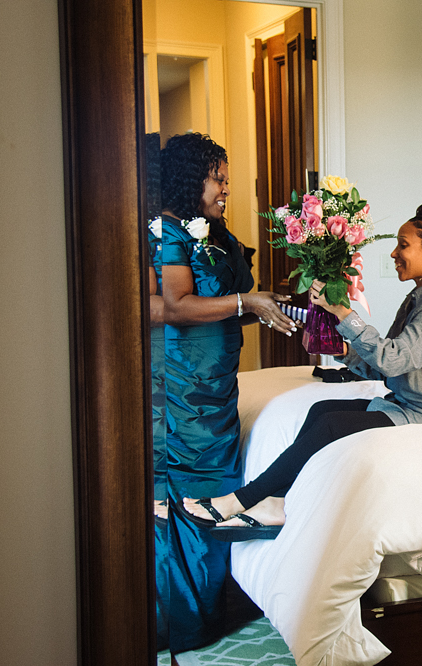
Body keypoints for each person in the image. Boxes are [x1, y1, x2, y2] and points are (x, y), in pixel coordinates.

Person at [182, 203, 422, 540]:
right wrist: (342, 350)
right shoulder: (420, 298)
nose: (394, 252)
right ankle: (276, 503)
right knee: (321, 410)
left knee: (332, 424)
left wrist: (343, 313)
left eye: (403, 244)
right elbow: (385, 366)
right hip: (408, 405)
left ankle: (240, 500)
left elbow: (393, 360)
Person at [159, 132, 296, 652]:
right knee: (196, 498)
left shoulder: (212, 233)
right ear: (191, 178)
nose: (225, 189)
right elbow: (174, 304)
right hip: (187, 385)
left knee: (215, 492)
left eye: (227, 180)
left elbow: (239, 298)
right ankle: (185, 625)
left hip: (217, 384)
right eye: (218, 178)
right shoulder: (167, 232)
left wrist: (278, 303)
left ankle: (208, 612)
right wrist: (247, 303)